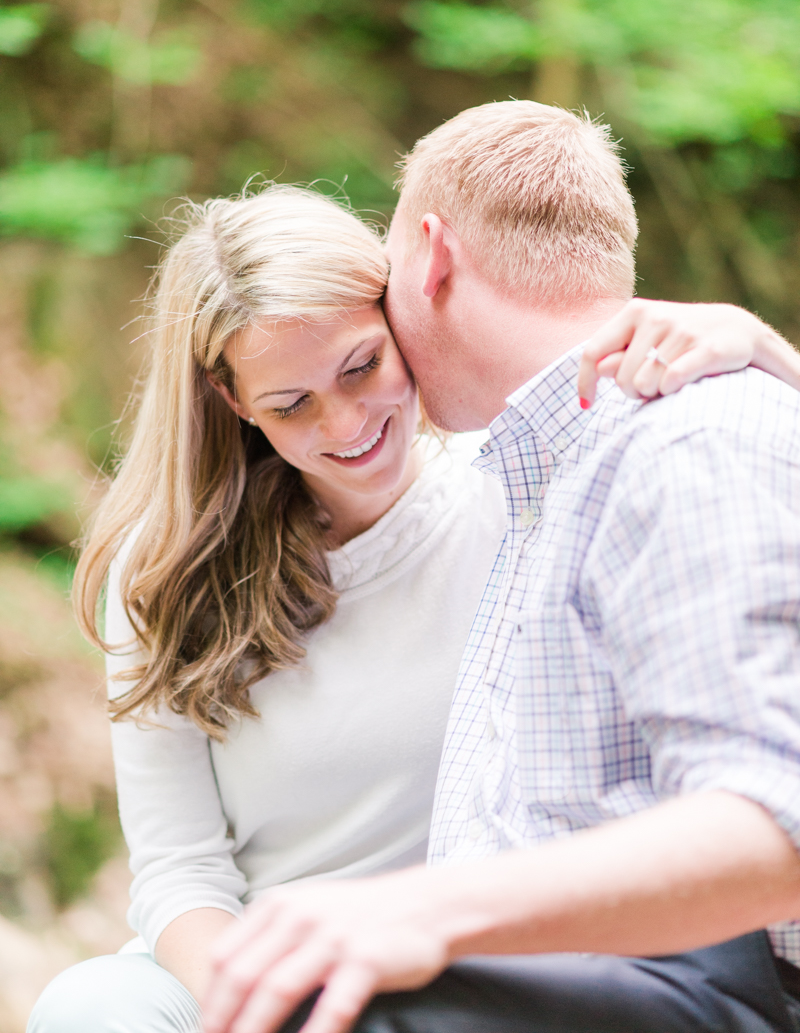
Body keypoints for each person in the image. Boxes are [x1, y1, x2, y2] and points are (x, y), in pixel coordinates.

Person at [26, 173, 800, 1033]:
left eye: (363, 366)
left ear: (401, 312)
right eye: (292, 404)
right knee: (89, 1007)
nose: (347, 422)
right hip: (257, 963)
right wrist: (263, 1009)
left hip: (468, 954)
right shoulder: (164, 572)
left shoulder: (513, 486)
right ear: (233, 401)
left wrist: (756, 348)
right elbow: (180, 874)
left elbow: (703, 458)